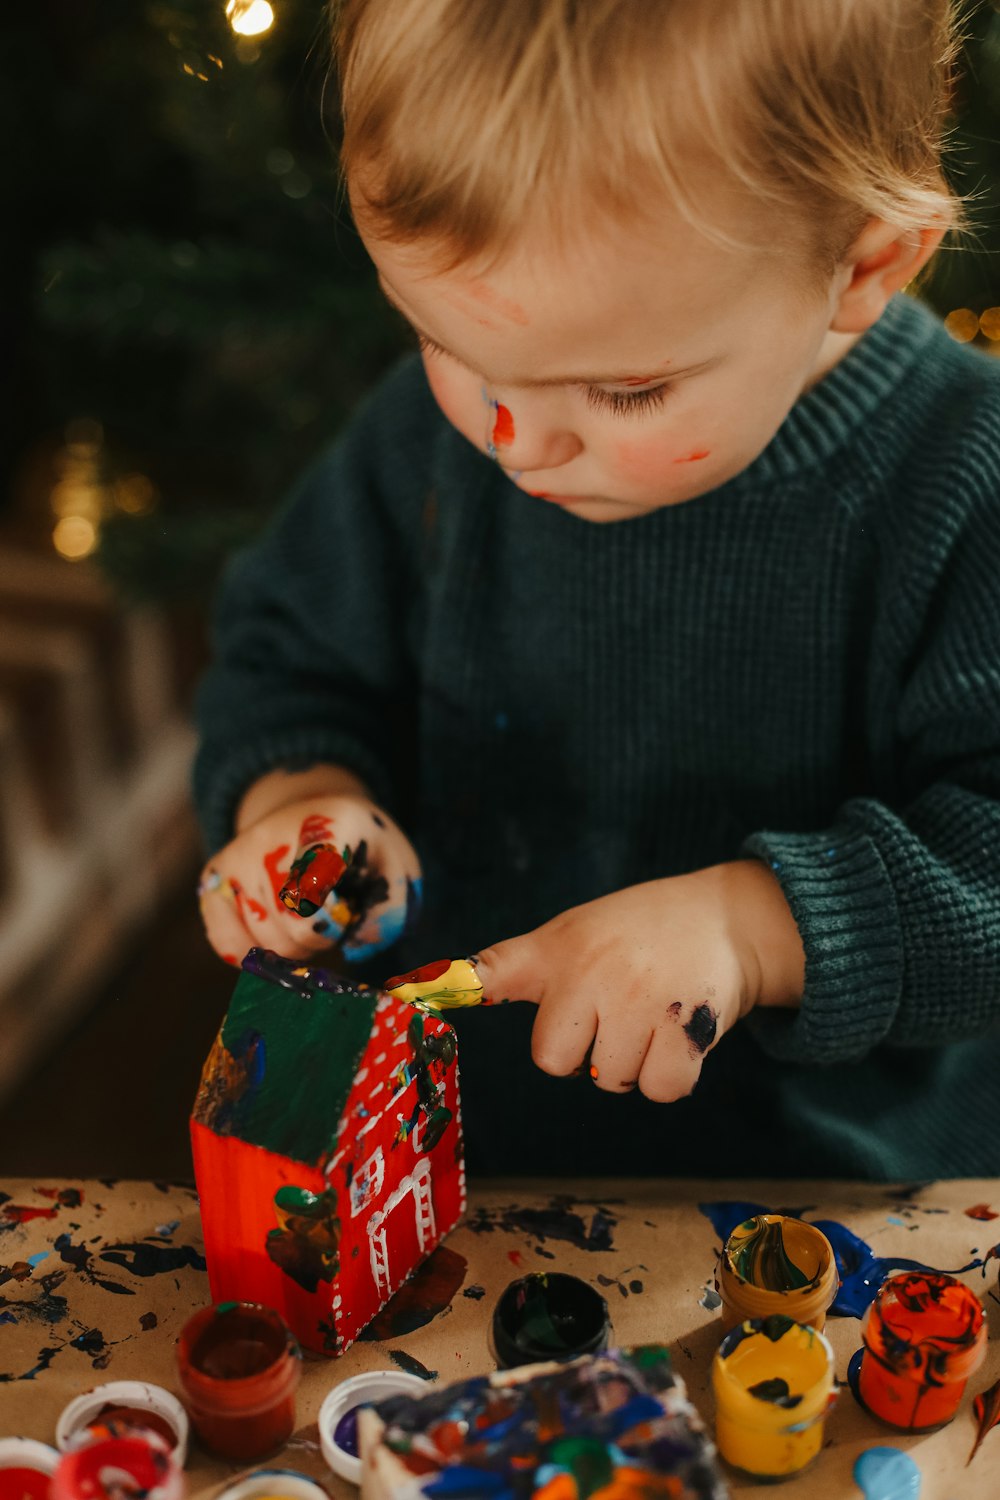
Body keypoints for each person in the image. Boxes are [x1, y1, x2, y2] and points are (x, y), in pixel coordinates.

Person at [194, 0, 1000, 1179]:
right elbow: (290, 650)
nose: (513, 440)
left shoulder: (962, 480)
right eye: (447, 344)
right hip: (456, 1166)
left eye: (623, 391)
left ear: (865, 263)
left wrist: (756, 927)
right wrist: (306, 795)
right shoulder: (439, 435)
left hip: (825, 1217)